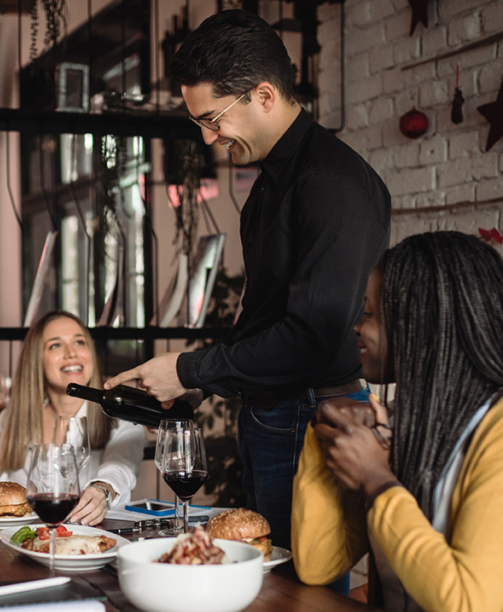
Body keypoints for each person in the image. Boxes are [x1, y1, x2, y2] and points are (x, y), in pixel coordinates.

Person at [105, 10, 391, 564]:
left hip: (313, 417)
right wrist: (199, 386)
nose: (210, 138)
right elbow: (265, 320)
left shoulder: (332, 184)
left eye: (213, 118)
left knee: (298, 595)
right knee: (264, 582)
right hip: (275, 415)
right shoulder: (267, 188)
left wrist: (190, 369)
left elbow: (312, 336)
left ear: (263, 94)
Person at [292, 231, 503, 612]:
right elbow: (316, 565)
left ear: (418, 322)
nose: (356, 327)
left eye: (369, 314)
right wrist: (324, 430)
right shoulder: (404, 422)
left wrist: (378, 481)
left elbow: (467, 609)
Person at [0, 311, 145, 526]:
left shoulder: (120, 420)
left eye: (79, 342)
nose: (71, 353)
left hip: (88, 541)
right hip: (14, 541)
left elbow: (120, 469)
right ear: (36, 360)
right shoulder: (17, 418)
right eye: (55, 345)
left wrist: (102, 490)